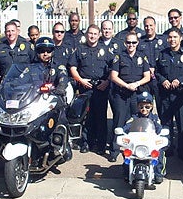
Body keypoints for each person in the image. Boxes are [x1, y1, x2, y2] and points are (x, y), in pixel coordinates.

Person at [69, 24, 114, 155]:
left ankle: (100, 145)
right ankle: (86, 143)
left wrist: (107, 82)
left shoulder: (106, 50)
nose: (92, 36)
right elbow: (72, 67)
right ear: (86, 35)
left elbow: (114, 68)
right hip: (85, 87)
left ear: (99, 35)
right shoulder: (79, 49)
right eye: (90, 33)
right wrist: (80, 80)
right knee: (86, 117)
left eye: (95, 34)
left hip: (101, 88)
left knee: (101, 117)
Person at [155, 27, 183, 161]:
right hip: (166, 95)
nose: (172, 40)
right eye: (170, 37)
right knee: (166, 123)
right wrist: (163, 80)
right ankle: (167, 149)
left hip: (181, 95)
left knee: (182, 124)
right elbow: (156, 72)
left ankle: (182, 151)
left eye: (175, 37)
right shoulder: (162, 54)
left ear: (180, 38)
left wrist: (180, 80)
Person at [109, 32, 151, 160]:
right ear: (125, 43)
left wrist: (136, 84)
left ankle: (136, 148)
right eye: (128, 42)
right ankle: (114, 150)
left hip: (137, 94)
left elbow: (147, 76)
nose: (131, 45)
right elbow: (113, 76)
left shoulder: (142, 57)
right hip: (122, 94)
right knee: (119, 121)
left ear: (137, 43)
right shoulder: (119, 57)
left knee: (138, 121)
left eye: (133, 42)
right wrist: (126, 86)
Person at [122, 92, 165, 184]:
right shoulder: (134, 118)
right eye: (141, 106)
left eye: (147, 107)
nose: (144, 109)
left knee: (159, 152)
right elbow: (126, 127)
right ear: (138, 107)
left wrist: (162, 134)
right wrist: (122, 132)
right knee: (126, 153)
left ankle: (158, 173)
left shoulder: (155, 118)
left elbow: (159, 129)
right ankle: (127, 172)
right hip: (137, 143)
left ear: (151, 106)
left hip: (150, 142)